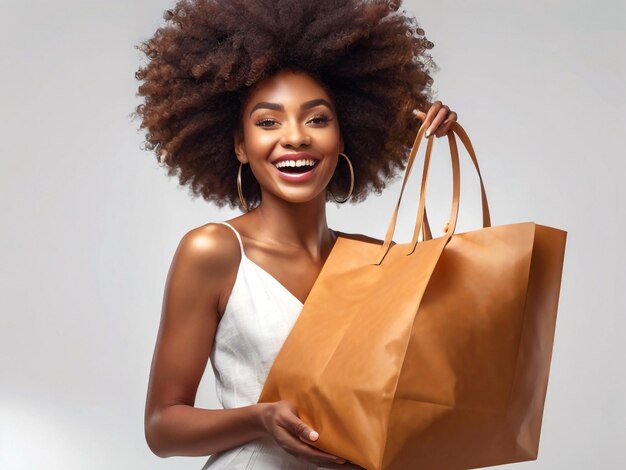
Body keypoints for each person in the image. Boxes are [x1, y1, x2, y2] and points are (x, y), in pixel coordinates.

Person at [133, 0, 457, 467]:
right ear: (241, 146)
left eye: (317, 118)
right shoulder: (215, 252)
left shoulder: (375, 259)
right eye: (268, 121)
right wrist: (260, 418)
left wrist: (434, 139)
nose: (296, 137)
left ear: (344, 138)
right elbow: (163, 428)